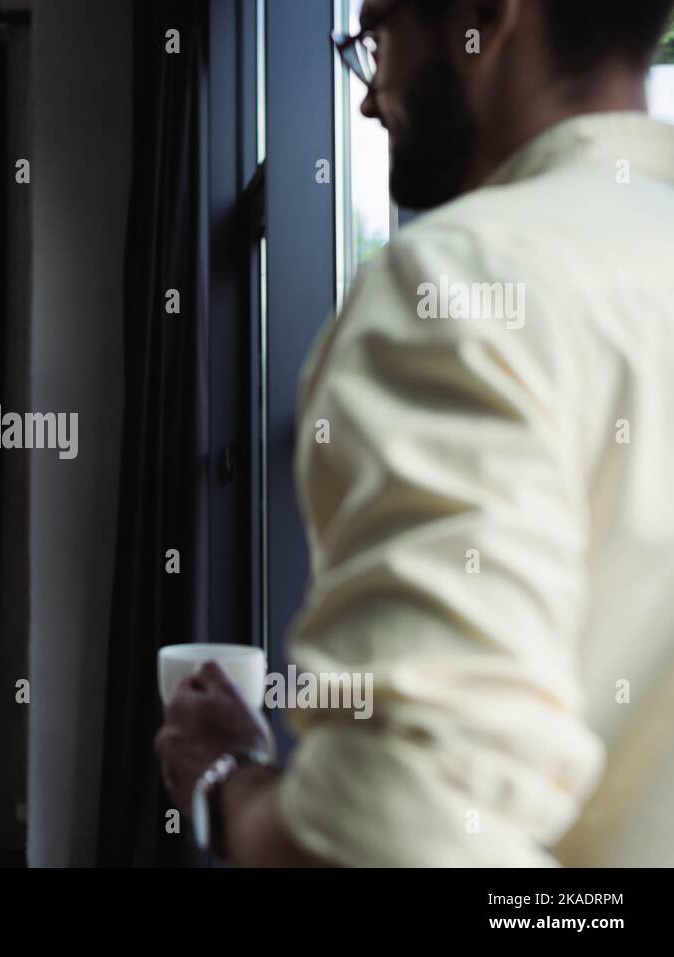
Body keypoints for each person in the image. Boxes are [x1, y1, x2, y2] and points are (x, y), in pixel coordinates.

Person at [157, 0, 674, 866]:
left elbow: (400, 833)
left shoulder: (465, 283)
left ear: (485, 17)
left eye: (376, 39)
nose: (366, 100)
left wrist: (227, 781)